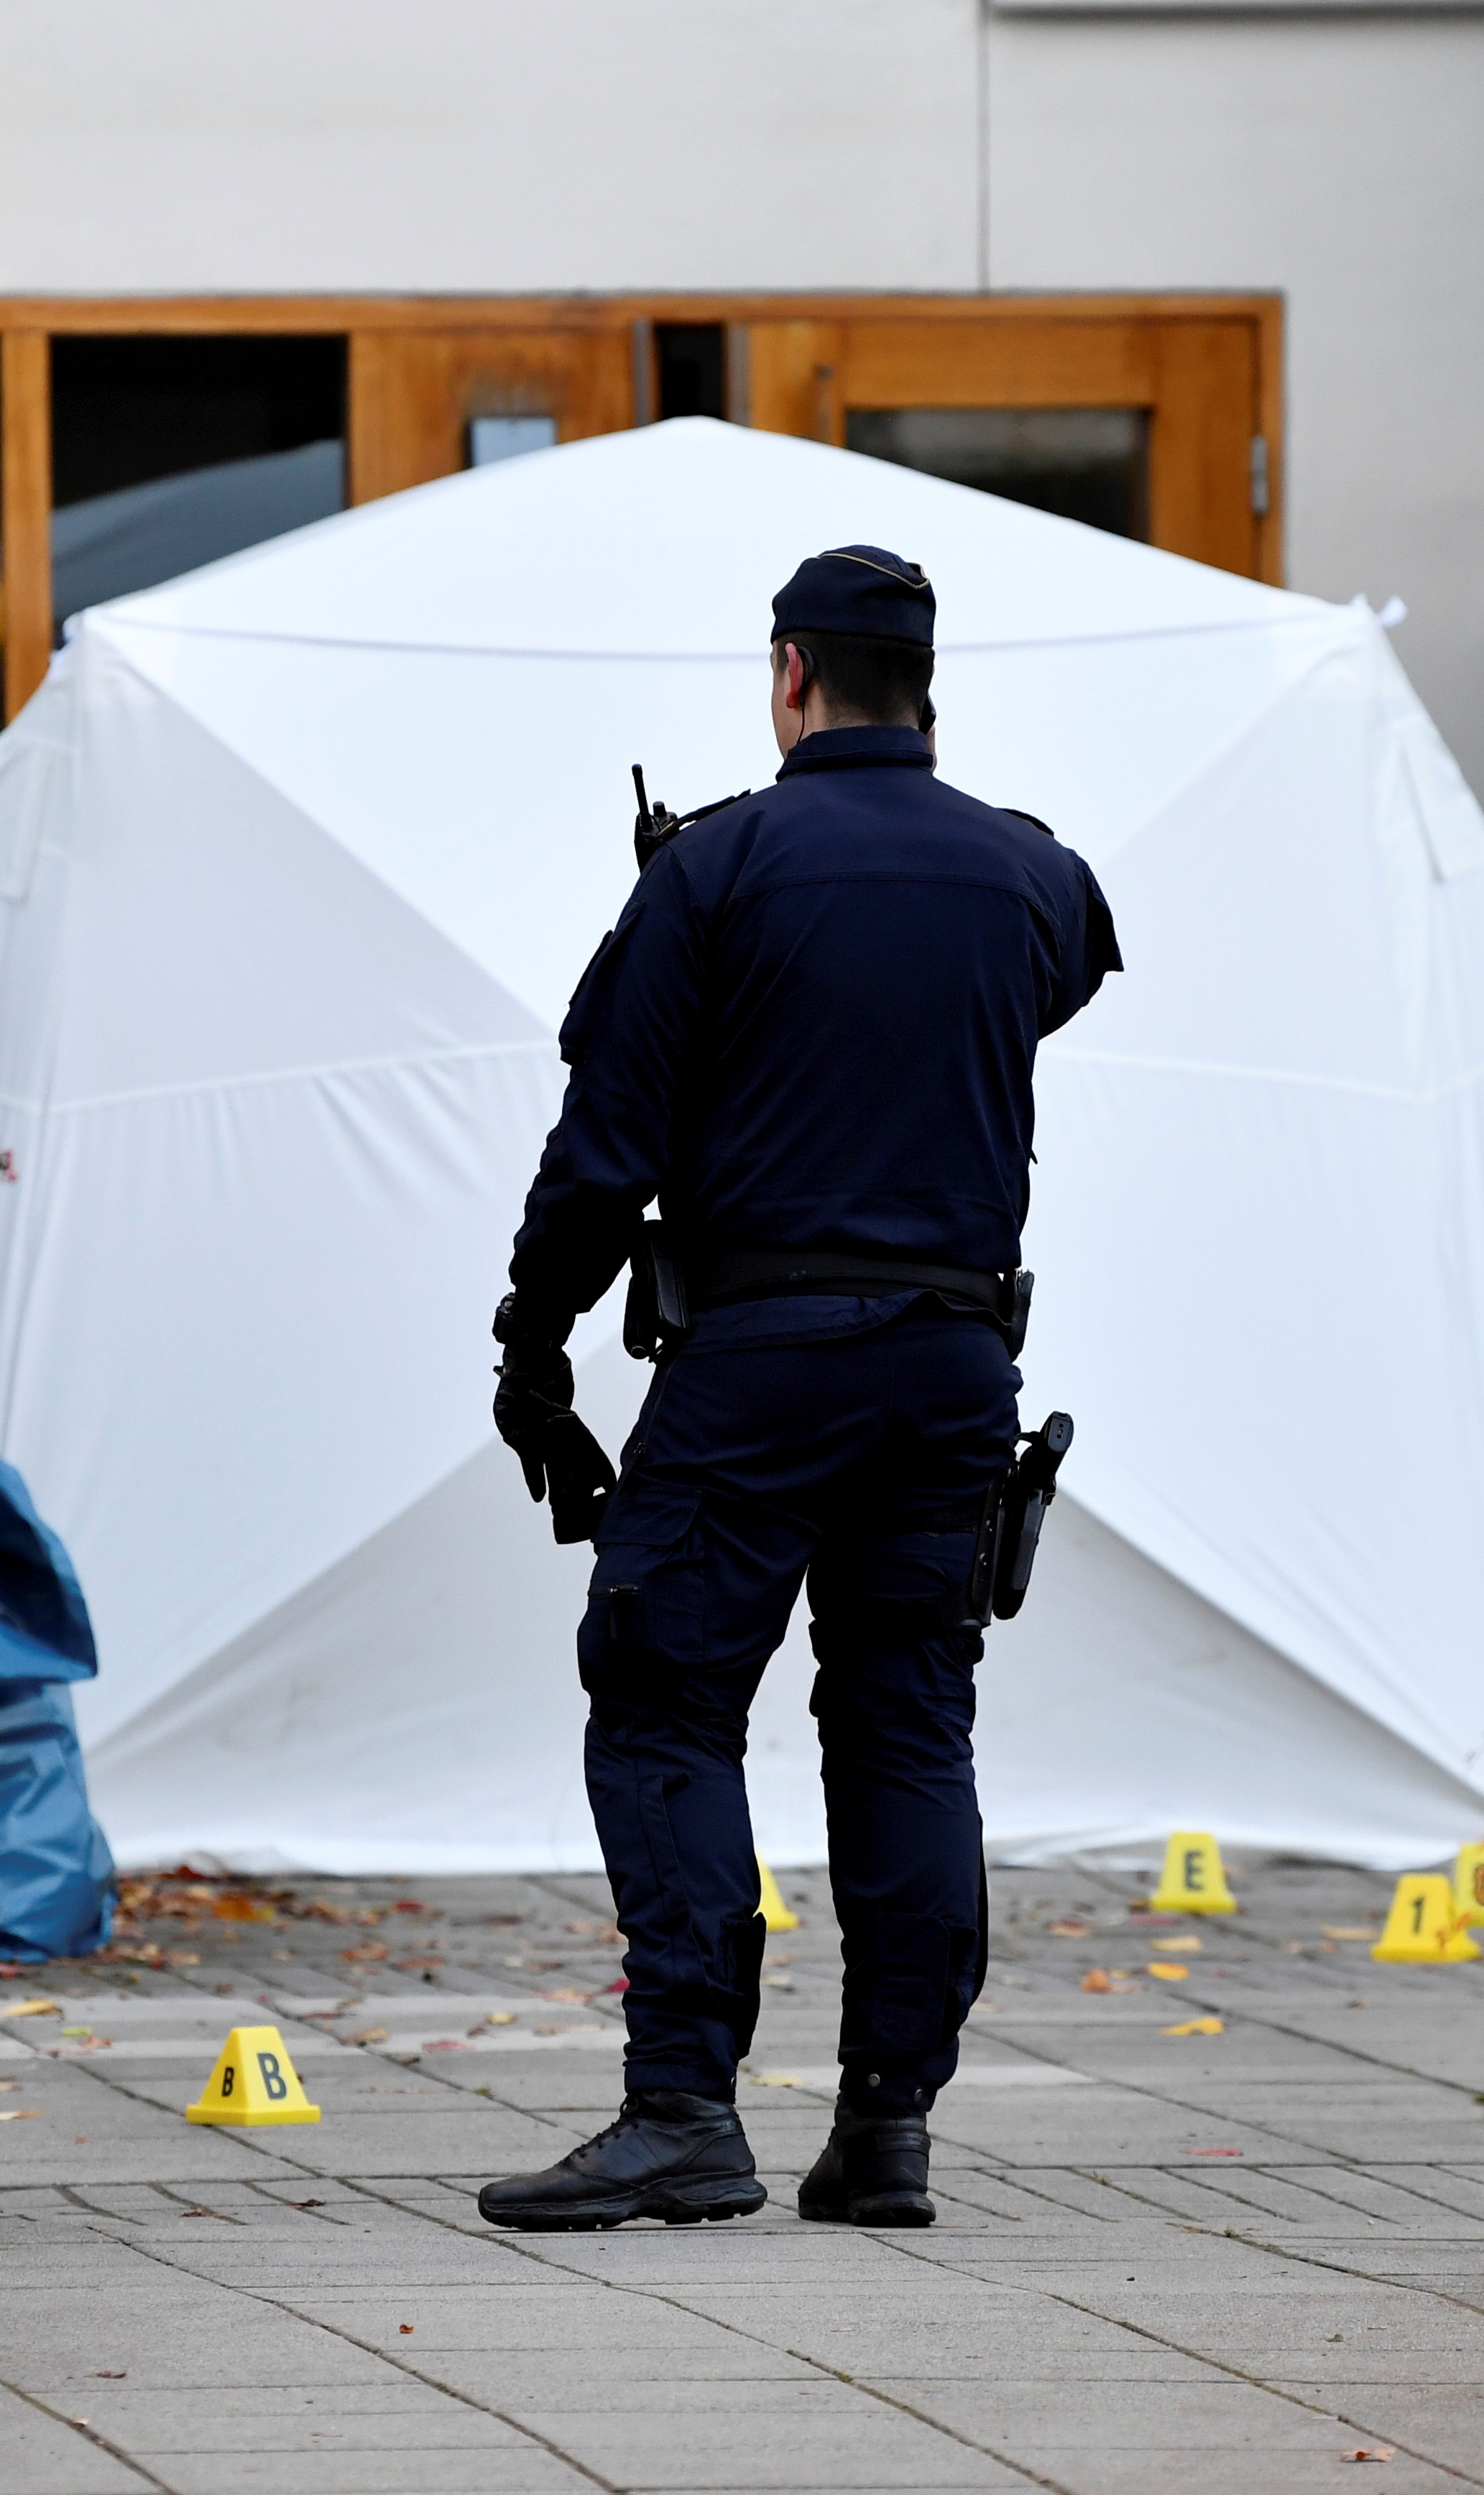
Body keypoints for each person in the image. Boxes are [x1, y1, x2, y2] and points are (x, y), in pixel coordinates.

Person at [476, 542, 1122, 2233]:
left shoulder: (717, 874)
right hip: (953, 1370)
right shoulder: (1028, 877)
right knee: (907, 1721)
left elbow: (602, 1147)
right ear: (924, 685)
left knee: (671, 1698)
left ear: (788, 674)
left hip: (760, 1362)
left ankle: (685, 2104)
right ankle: (886, 2126)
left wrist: (532, 1343)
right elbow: (1071, 947)